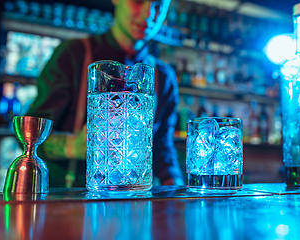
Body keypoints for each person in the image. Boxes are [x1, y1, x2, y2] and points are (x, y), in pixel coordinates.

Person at [26, 0, 184, 187]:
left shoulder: (163, 77)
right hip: (71, 200)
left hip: (133, 201)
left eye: (158, 6)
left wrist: (179, 192)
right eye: (138, 1)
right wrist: (73, 147)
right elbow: (32, 136)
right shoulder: (73, 54)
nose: (147, 14)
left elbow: (162, 148)